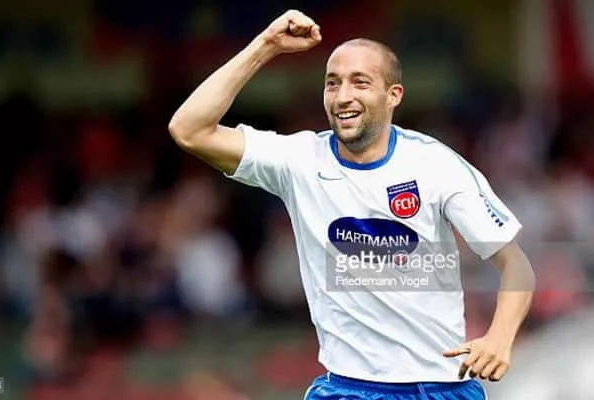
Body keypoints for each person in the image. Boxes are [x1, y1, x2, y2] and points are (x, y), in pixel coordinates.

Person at [168, 9, 535, 400]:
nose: (343, 96)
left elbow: (516, 265)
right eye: (333, 83)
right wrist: (265, 46)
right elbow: (189, 130)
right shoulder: (298, 161)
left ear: (393, 96)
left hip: (441, 386)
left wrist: (499, 338)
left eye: (360, 82)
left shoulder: (436, 165)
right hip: (347, 388)